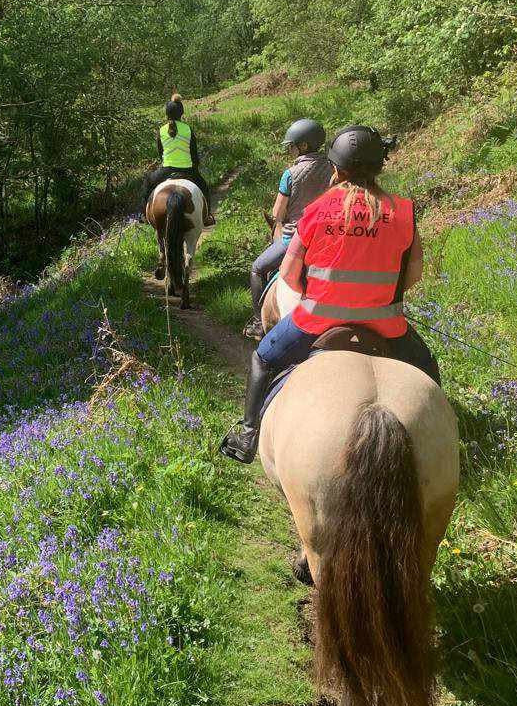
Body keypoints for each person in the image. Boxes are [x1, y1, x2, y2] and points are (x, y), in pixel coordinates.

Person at [221, 125, 439, 463]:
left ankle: (248, 434)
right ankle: (446, 441)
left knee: (262, 359)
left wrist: (323, 293)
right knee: (427, 368)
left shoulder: (316, 211)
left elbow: (291, 277)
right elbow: (413, 275)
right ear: (379, 167)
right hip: (386, 325)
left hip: (317, 321)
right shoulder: (404, 212)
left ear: (335, 168)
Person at [245, 118, 331, 337]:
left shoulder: (290, 174)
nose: (290, 149)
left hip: (294, 239)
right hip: (328, 239)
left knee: (257, 269)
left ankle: (257, 322)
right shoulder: (334, 169)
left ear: (303, 146)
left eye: (292, 145)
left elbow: (277, 214)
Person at [140, 95, 215, 223]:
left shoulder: (161, 130)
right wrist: (195, 167)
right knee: (204, 186)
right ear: (181, 113)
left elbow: (161, 153)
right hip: (187, 169)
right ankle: (207, 217)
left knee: (147, 183)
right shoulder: (188, 129)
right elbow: (194, 153)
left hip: (167, 169)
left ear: (167, 113)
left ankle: (143, 215)